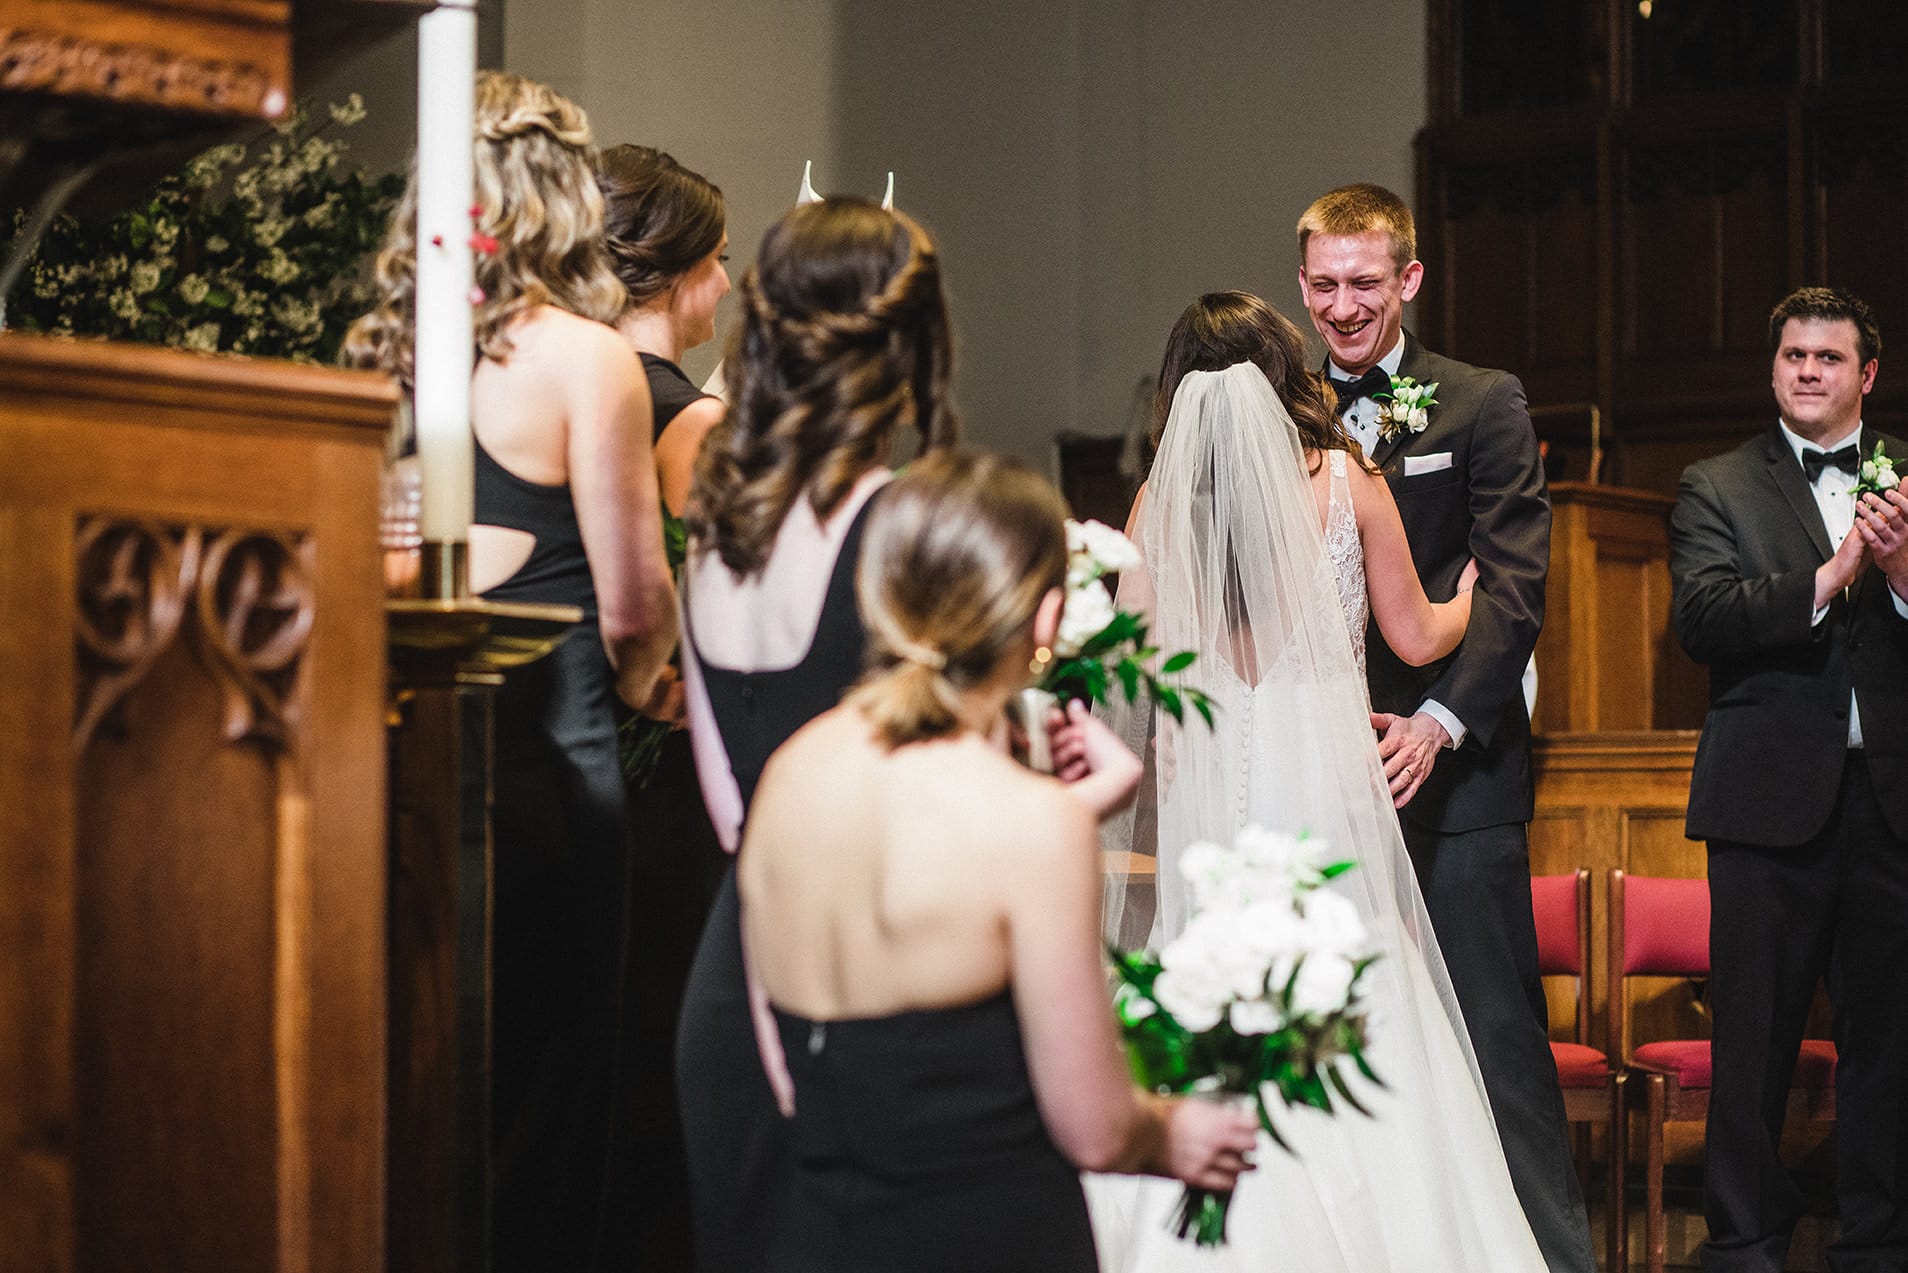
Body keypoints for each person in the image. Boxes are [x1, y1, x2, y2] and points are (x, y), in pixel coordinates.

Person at [1089, 293, 1546, 1272]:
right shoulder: (1348, 481)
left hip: (1213, 792)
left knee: (1215, 987)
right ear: (1285, 375)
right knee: (1355, 1000)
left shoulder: (1158, 502)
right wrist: (1472, 599)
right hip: (1325, 788)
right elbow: (1416, 634)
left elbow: (1125, 668)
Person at [736, 449, 1258, 1273]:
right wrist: (1174, 1130)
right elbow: (1093, 1125)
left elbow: (790, 1039)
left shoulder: (789, 770)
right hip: (983, 1234)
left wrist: (1071, 810)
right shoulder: (1029, 824)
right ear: (1048, 619)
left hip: (814, 1230)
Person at [349, 72, 678, 1272]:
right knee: (555, 1071)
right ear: (559, 197)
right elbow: (637, 605)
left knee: (421, 1055)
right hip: (556, 754)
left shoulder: (380, 355)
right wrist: (667, 693)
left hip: (396, 743)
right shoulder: (588, 361)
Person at [1296, 182, 1593, 1273]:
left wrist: (1433, 724)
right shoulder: (1285, 411)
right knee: (1350, 1038)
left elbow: (1513, 588)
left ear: (1409, 278)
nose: (1342, 307)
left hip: (1459, 786)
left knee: (1495, 1044)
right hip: (1324, 776)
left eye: (1364, 283)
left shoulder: (1480, 403)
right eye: (1323, 285)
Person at [675, 195, 957, 1272]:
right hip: (868, 974)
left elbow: (728, 800)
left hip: (734, 977)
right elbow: (936, 801)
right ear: (910, 345)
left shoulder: (719, 524)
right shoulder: (903, 526)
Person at [1670, 286, 1908, 1273]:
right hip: (1765, 804)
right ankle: (1743, 1241)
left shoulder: (1907, 475)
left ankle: (1881, 1241)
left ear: (1867, 373)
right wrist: (1835, 568)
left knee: (1889, 1043)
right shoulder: (1715, 482)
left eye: (1828, 357)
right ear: (1774, 369)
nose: (1809, 370)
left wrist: (1900, 576)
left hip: (1891, 803)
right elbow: (1704, 619)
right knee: (1754, 1041)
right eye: (1793, 356)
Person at [592, 141, 731, 1269]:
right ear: (682, 274)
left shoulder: (560, 385)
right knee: (666, 1036)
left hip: (578, 739)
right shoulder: (683, 418)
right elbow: (726, 610)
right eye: (721, 261)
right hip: (667, 756)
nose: (728, 288)